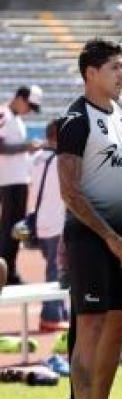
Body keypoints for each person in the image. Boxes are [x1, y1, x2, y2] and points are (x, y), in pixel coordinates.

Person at [58, 38, 122, 399]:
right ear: (90, 73)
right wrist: (110, 239)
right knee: (90, 328)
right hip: (91, 240)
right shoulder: (76, 120)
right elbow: (70, 192)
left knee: (116, 326)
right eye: (114, 67)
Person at [0, 85, 42, 285]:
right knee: (9, 228)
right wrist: (26, 146)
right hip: (8, 182)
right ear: (20, 98)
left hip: (19, 180)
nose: (29, 111)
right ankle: (5, 272)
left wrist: (28, 151)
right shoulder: (3, 114)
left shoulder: (16, 119)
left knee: (16, 229)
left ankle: (10, 269)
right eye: (29, 105)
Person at [29, 119, 69, 331]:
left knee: (54, 268)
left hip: (40, 223)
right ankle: (51, 315)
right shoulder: (60, 160)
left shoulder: (36, 158)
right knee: (56, 270)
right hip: (56, 222)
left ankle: (58, 311)